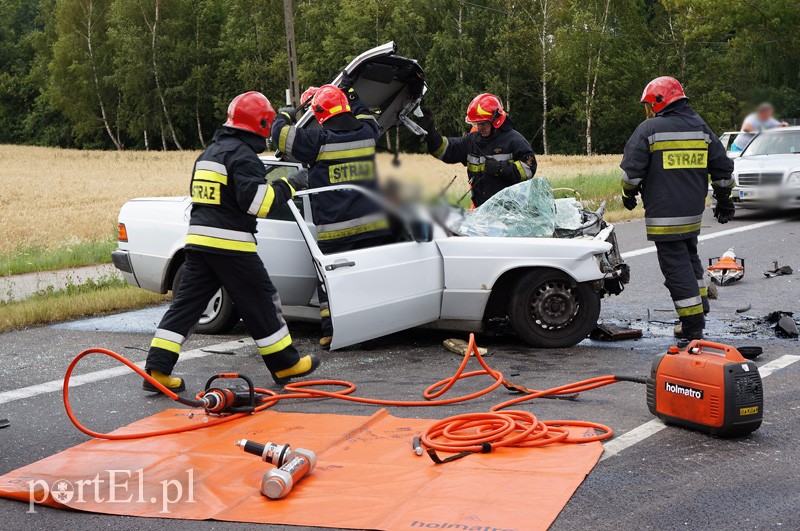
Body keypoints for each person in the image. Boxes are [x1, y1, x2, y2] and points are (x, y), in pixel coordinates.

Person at [144, 91, 319, 392]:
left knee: (186, 307)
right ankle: (285, 363)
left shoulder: (208, 155)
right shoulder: (243, 156)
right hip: (231, 246)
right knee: (262, 301)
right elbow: (257, 204)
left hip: (198, 244)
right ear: (260, 125)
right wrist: (289, 184)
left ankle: (157, 371)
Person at [271, 83, 387, 349]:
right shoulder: (367, 134)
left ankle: (330, 332)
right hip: (372, 229)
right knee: (368, 281)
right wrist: (352, 94)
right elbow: (368, 117)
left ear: (321, 115)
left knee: (330, 282)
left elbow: (280, 134)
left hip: (336, 231)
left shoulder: (318, 141)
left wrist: (287, 113)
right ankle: (371, 333)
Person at [620, 76, 735, 340]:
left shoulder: (649, 130)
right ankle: (700, 307)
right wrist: (724, 199)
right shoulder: (701, 127)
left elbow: (631, 175)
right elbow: (723, 170)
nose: (648, 110)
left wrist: (628, 195)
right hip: (692, 214)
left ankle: (692, 325)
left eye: (649, 105)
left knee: (676, 269)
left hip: (664, 216)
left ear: (658, 102)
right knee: (689, 258)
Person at [419, 93, 536, 207]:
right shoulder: (471, 140)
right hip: (481, 212)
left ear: (495, 120)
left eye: (482, 124)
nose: (479, 128)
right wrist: (432, 135)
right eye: (476, 124)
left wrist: (501, 168)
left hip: (508, 213)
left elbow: (529, 168)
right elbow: (446, 150)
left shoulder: (514, 140)